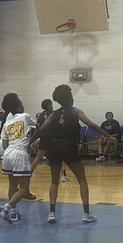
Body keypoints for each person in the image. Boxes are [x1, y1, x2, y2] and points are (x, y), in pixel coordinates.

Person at [29, 83, 107, 224]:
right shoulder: (75, 111)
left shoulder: (54, 114)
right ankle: (86, 213)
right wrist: (107, 135)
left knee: (54, 181)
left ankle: (52, 214)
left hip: (54, 146)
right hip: (68, 145)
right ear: (70, 97)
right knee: (82, 179)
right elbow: (91, 125)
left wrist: (30, 142)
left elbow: (40, 130)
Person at [0, 93, 36, 223]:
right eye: (21, 102)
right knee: (24, 189)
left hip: (7, 154)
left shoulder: (7, 123)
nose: (23, 104)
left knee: (12, 185)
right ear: (18, 107)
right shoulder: (25, 116)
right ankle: (5, 208)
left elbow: (5, 144)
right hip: (19, 153)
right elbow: (37, 127)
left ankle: (13, 213)